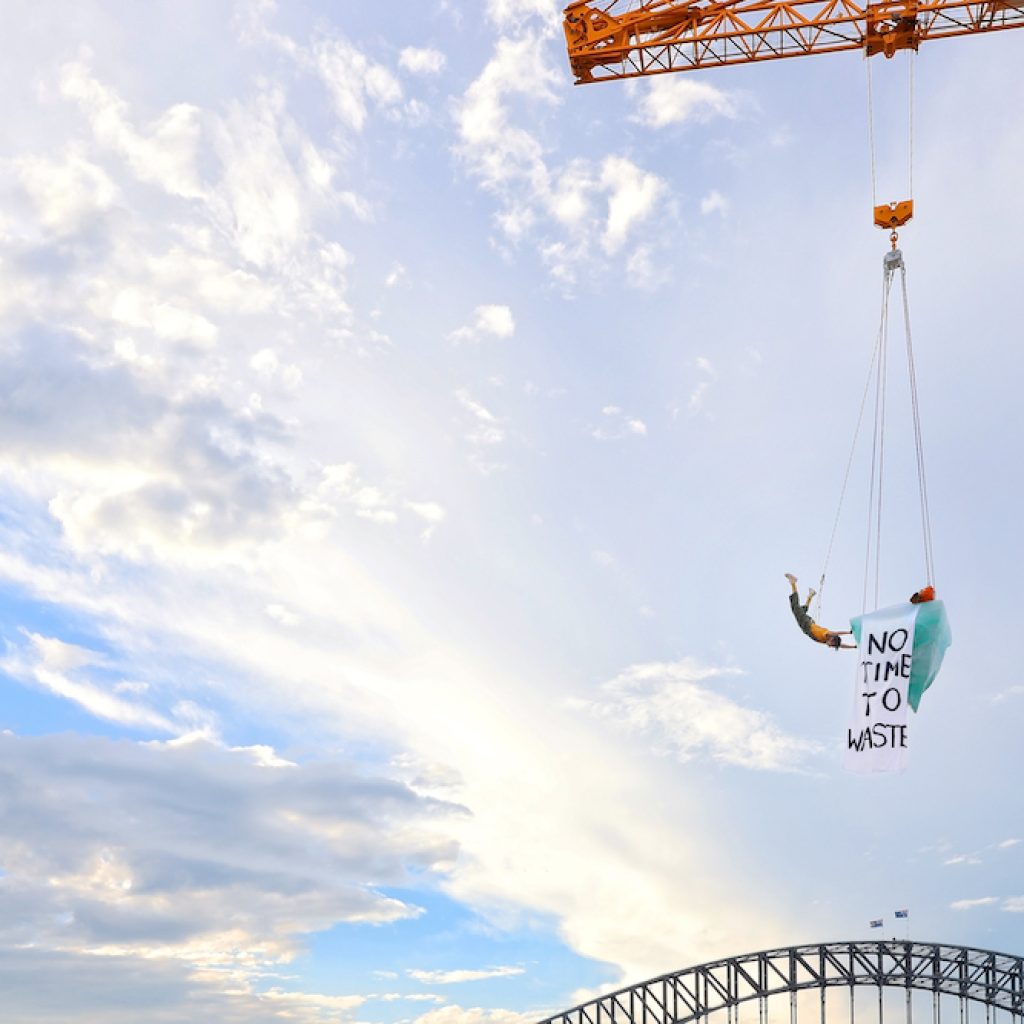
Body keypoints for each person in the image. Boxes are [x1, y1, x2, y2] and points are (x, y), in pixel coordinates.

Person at [785, 573, 856, 649]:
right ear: (832, 639)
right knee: (795, 607)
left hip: (808, 624)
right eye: (832, 644)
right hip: (807, 625)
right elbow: (836, 633)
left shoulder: (826, 641)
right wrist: (848, 632)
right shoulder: (827, 634)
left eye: (832, 646)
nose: (830, 646)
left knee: (801, 611)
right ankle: (793, 583)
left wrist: (854, 647)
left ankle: (810, 595)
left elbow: (842, 645)